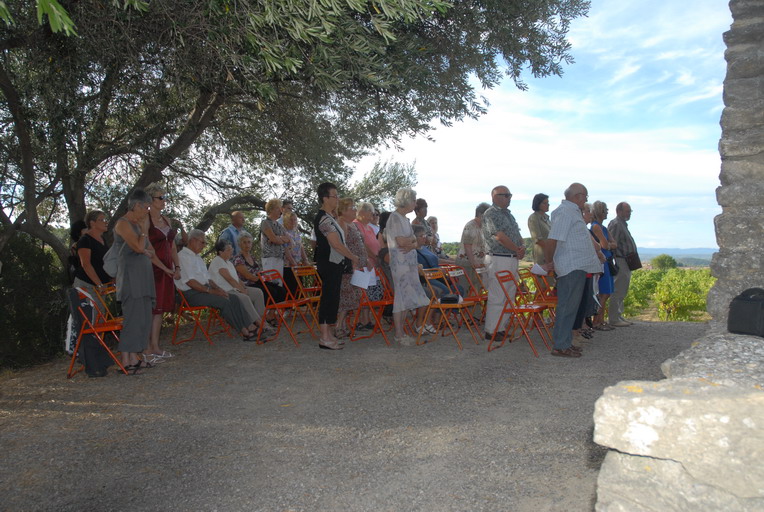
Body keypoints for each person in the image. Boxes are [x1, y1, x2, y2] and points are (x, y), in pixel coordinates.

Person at [542, 183, 603, 358]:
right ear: (578, 196)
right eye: (585, 196)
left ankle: (565, 343)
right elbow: (552, 240)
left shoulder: (571, 211)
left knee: (571, 307)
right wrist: (549, 262)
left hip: (577, 266)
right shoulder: (565, 212)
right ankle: (560, 345)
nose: (586, 199)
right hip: (571, 266)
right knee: (567, 307)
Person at [177, 229, 262, 341]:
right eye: (203, 242)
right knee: (224, 301)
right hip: (191, 293)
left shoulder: (198, 257)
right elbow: (191, 282)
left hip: (204, 289)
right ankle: (244, 331)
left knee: (234, 298)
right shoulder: (182, 257)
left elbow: (208, 279)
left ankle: (250, 326)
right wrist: (212, 291)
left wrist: (218, 289)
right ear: (193, 240)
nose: (204, 245)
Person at [112, 189, 156, 374]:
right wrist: (144, 231)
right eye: (146, 207)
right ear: (137, 205)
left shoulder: (137, 225)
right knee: (132, 318)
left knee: (144, 317)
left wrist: (145, 246)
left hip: (144, 277)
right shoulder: (122, 224)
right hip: (131, 278)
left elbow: (151, 251)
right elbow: (138, 247)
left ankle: (135, 356)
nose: (147, 211)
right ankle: (125, 360)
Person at [313, 182, 360, 350]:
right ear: (325, 198)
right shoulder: (324, 219)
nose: (337, 199)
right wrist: (352, 256)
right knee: (328, 298)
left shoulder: (330, 217)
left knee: (332, 298)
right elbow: (336, 244)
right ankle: (324, 337)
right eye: (335, 196)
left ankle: (328, 335)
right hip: (329, 264)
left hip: (335, 264)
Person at [387, 188, 433, 344]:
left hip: (409, 264)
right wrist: (413, 241)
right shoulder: (395, 218)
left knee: (406, 297)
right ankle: (399, 334)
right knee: (401, 297)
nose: (415, 204)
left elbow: (415, 241)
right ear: (406, 201)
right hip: (401, 264)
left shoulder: (405, 219)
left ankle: (401, 332)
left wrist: (413, 242)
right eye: (413, 200)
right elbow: (401, 241)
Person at [481, 186, 525, 340]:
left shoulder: (508, 214)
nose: (509, 198)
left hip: (510, 258)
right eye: (506, 195)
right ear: (495, 197)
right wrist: (517, 249)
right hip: (499, 258)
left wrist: (522, 247)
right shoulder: (491, 213)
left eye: (510, 195)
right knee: (498, 295)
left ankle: (500, 327)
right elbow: (499, 236)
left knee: (509, 295)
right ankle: (491, 330)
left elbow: (517, 234)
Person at [143, 182, 180, 364]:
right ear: (150, 200)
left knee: (161, 309)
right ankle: (146, 349)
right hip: (152, 268)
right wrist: (164, 268)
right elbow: (146, 247)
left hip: (167, 268)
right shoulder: (145, 219)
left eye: (165, 197)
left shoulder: (167, 220)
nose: (164, 200)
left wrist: (177, 266)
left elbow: (172, 246)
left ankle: (155, 346)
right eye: (161, 197)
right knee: (151, 308)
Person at [209, 239, 275, 337]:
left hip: (235, 289)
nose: (231, 251)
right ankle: (261, 324)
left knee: (257, 292)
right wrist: (242, 290)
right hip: (225, 291)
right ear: (220, 252)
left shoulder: (228, 262)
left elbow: (236, 279)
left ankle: (262, 319)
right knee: (244, 297)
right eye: (228, 250)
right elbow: (229, 279)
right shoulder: (217, 261)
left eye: (231, 248)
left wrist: (244, 287)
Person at [232, 231, 286, 324]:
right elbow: (248, 276)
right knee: (270, 291)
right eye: (244, 242)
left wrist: (265, 278)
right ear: (239, 244)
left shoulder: (252, 257)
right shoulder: (238, 259)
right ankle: (262, 317)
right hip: (247, 284)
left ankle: (271, 314)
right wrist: (262, 279)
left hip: (257, 281)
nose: (247, 245)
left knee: (281, 290)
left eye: (249, 242)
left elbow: (259, 272)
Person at [334, 198, 367, 338]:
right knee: (346, 297)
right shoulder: (341, 223)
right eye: (352, 208)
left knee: (354, 296)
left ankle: (343, 325)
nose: (355, 210)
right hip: (349, 267)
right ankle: (338, 326)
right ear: (343, 210)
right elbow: (342, 245)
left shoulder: (352, 224)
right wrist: (352, 261)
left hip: (357, 266)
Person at [608, 202, 637, 326]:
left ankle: (618, 315)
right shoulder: (616, 224)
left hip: (625, 260)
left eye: (630, 211)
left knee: (622, 289)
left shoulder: (621, 224)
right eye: (627, 211)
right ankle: (614, 318)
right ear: (619, 211)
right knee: (619, 289)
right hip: (621, 260)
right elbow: (612, 243)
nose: (629, 213)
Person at [590, 200, 617, 331]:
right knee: (603, 293)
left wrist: (609, 245)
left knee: (607, 293)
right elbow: (605, 245)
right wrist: (609, 245)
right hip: (602, 262)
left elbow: (614, 243)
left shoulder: (603, 228)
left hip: (607, 261)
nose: (607, 213)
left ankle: (600, 320)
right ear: (600, 212)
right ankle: (596, 322)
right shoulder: (596, 227)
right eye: (605, 210)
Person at [73, 210, 111, 297]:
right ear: (92, 223)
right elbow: (86, 264)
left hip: (100, 286)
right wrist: (99, 284)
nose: (106, 222)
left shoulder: (102, 239)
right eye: (102, 220)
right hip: (87, 286)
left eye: (106, 220)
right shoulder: (85, 240)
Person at [456, 202, 490, 292]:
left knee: (477, 289)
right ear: (481, 215)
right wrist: (473, 262)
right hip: (467, 263)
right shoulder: (470, 226)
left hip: (478, 264)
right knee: (466, 289)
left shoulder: (482, 227)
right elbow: (467, 246)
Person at [260, 198, 292, 283]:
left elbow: (288, 239)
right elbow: (274, 239)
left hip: (279, 257)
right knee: (271, 283)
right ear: (271, 209)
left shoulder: (279, 225)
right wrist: (278, 239)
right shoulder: (265, 222)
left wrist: (278, 238)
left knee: (279, 284)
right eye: (278, 208)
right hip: (269, 258)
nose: (280, 211)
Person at [282, 210, 310, 296]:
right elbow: (285, 249)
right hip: (288, 264)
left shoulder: (296, 231)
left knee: (300, 287)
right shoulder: (283, 232)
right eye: (291, 220)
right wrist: (293, 262)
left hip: (298, 263)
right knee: (292, 288)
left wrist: (305, 259)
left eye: (295, 220)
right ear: (286, 221)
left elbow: (301, 246)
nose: (293, 222)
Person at [528, 193, 552, 266]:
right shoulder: (534, 218)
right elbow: (538, 239)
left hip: (551, 254)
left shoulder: (547, 218)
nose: (548, 205)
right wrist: (549, 252)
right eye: (544, 203)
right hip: (542, 255)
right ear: (538, 204)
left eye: (548, 203)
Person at [68, 219, 88, 284]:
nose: (88, 230)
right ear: (79, 232)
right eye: (85, 228)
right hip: (84, 280)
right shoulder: (77, 246)